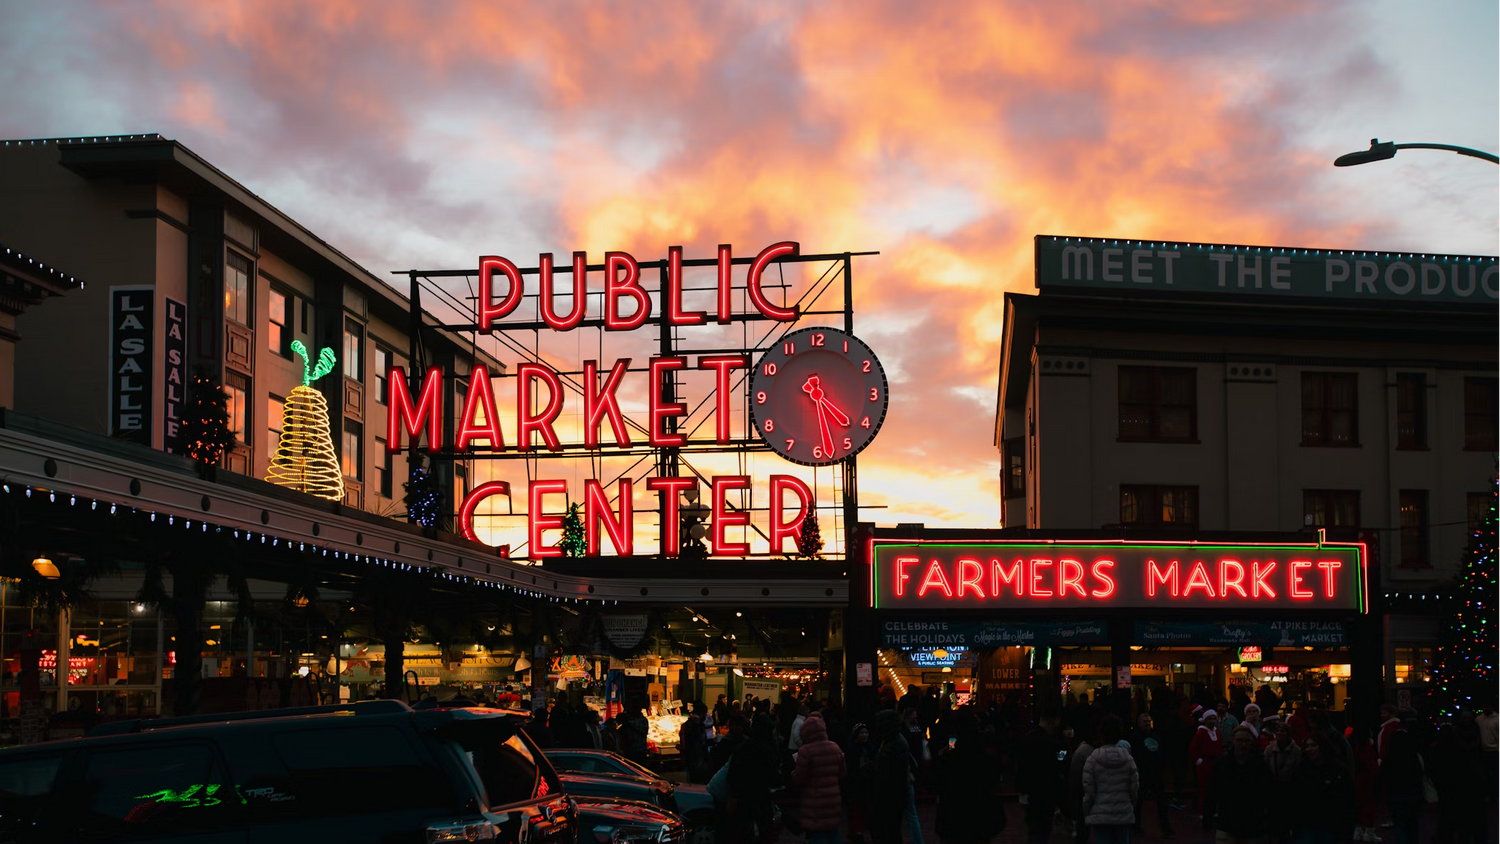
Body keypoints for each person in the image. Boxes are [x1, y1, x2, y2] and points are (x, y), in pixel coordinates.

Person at [935, 712, 1005, 844]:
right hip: (980, 820)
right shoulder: (986, 760)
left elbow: (937, 784)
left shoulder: (947, 760)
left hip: (952, 820)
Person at [1205, 725, 1273, 844]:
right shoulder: (1221, 764)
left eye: (1247, 741)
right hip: (1227, 823)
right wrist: (1208, 817)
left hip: (1253, 825)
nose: (1243, 744)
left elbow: (1269, 793)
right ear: (1233, 741)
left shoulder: (1260, 765)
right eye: (1240, 740)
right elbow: (1211, 791)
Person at [1288, 731, 1356, 844]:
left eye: (1313, 745)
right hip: (1306, 823)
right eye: (1307, 746)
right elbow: (1294, 797)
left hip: (1330, 823)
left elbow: (1348, 798)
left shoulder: (1338, 770)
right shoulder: (1300, 770)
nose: (1310, 749)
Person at [1083, 716, 1139, 844]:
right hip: (1123, 812)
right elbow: (1134, 789)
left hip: (1101, 813)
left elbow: (1089, 791)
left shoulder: (1092, 759)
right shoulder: (1128, 759)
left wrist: (1087, 811)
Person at [791, 714, 846, 844]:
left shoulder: (806, 751)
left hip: (814, 800)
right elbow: (842, 774)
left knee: (817, 834)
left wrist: (792, 774)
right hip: (833, 798)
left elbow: (800, 777)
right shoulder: (835, 748)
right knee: (833, 832)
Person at [1019, 707, 1068, 844]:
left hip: (1030, 792)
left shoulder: (1028, 738)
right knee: (1041, 832)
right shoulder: (1049, 742)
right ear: (1055, 721)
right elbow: (1053, 769)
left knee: (1034, 831)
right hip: (1043, 794)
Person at [870, 710, 919, 844]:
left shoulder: (894, 743)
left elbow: (893, 774)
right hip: (892, 794)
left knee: (890, 830)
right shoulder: (893, 740)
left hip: (891, 794)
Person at [1127, 711, 1173, 838]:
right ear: (1138, 723)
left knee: (1161, 801)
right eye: (1144, 721)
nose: (1147, 724)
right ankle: (1136, 826)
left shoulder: (1156, 735)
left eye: (1149, 721)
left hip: (1156, 772)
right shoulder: (1135, 737)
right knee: (1139, 800)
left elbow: (1162, 750)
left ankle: (1165, 827)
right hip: (1142, 772)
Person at [1377, 728, 1424, 844]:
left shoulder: (1389, 757)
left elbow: (1382, 776)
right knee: (1412, 824)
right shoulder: (1413, 756)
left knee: (1399, 823)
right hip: (1412, 794)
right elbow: (1419, 774)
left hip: (1395, 794)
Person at [1348, 724, 1381, 843]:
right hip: (1367, 779)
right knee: (1369, 805)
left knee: (1358, 805)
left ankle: (1358, 831)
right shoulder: (1367, 746)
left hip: (1356, 777)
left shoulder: (1353, 745)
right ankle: (1369, 832)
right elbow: (1371, 765)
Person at [1189, 709, 1225, 817]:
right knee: (1204, 788)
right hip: (1205, 763)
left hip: (1216, 763)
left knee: (1216, 787)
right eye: (1209, 719)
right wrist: (1199, 761)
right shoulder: (1200, 733)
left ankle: (1214, 810)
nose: (1212, 721)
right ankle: (1203, 811)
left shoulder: (1217, 734)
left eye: (1214, 718)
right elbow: (1193, 749)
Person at [845, 723, 874, 844]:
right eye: (862, 733)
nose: (864, 735)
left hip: (866, 783)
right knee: (856, 808)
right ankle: (857, 831)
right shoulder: (853, 748)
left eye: (866, 732)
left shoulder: (869, 747)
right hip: (856, 783)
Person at [681, 703, 708, 783]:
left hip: (692, 758)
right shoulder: (695, 725)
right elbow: (696, 743)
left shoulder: (688, 725)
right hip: (695, 758)